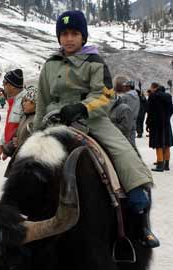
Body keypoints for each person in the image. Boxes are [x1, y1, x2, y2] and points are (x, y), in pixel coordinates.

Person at [33, 10, 159, 248]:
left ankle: (139, 212)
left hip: (92, 119)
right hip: (55, 118)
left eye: (74, 33)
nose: (69, 39)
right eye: (64, 34)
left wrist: (82, 107)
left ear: (83, 36)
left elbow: (105, 96)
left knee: (123, 150)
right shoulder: (50, 65)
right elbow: (42, 99)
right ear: (59, 37)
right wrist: (36, 131)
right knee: (26, 159)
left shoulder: (95, 62)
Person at [0, 69, 26, 163]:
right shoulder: (14, 101)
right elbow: (9, 127)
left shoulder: (25, 100)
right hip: (13, 150)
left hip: (22, 151)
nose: (3, 85)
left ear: (12, 86)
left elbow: (25, 129)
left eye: (4, 83)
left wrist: (8, 149)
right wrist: (1, 146)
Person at [146, 83, 173, 171]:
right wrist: (167, 118)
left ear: (154, 88)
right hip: (166, 123)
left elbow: (149, 111)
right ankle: (166, 164)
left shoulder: (153, 96)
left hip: (156, 123)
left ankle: (160, 164)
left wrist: (148, 123)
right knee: (166, 143)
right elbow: (171, 110)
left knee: (158, 144)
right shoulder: (168, 96)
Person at [110, 76, 134, 145]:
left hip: (120, 142)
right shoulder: (135, 97)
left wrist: (107, 125)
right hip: (129, 130)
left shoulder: (123, 106)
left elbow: (125, 129)